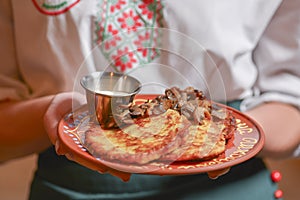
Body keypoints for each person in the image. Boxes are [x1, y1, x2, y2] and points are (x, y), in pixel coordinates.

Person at [1, 0, 299, 199]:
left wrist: (218, 135)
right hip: (76, 187)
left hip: (228, 186)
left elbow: (290, 106)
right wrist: (57, 114)